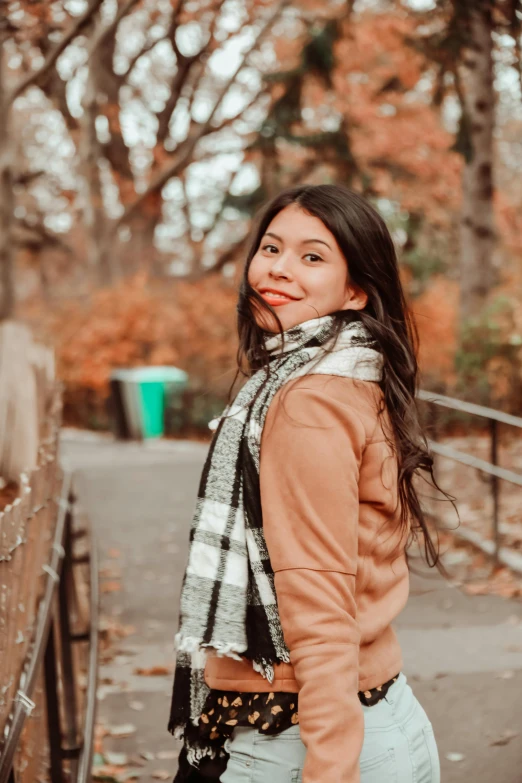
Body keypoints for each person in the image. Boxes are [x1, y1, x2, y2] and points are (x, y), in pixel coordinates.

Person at [169, 184, 447, 783]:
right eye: (271, 248)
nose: (278, 270)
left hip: (300, 736)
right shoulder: (350, 378)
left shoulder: (306, 404)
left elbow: (318, 601)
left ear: (356, 289)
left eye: (312, 257)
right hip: (381, 715)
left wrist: (330, 766)